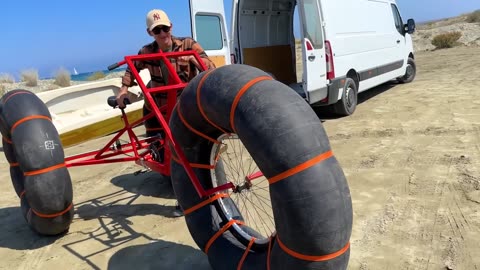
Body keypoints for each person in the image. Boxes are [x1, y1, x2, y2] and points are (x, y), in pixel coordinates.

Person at [116, 9, 216, 217]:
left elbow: (210, 69)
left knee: (189, 148)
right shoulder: (147, 51)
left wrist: (194, 59)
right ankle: (182, 193)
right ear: (150, 33)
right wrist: (124, 90)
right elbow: (131, 67)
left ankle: (197, 187)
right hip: (157, 110)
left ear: (171, 27)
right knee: (166, 152)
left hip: (183, 108)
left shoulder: (188, 44)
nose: (163, 33)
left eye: (165, 28)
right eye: (157, 30)